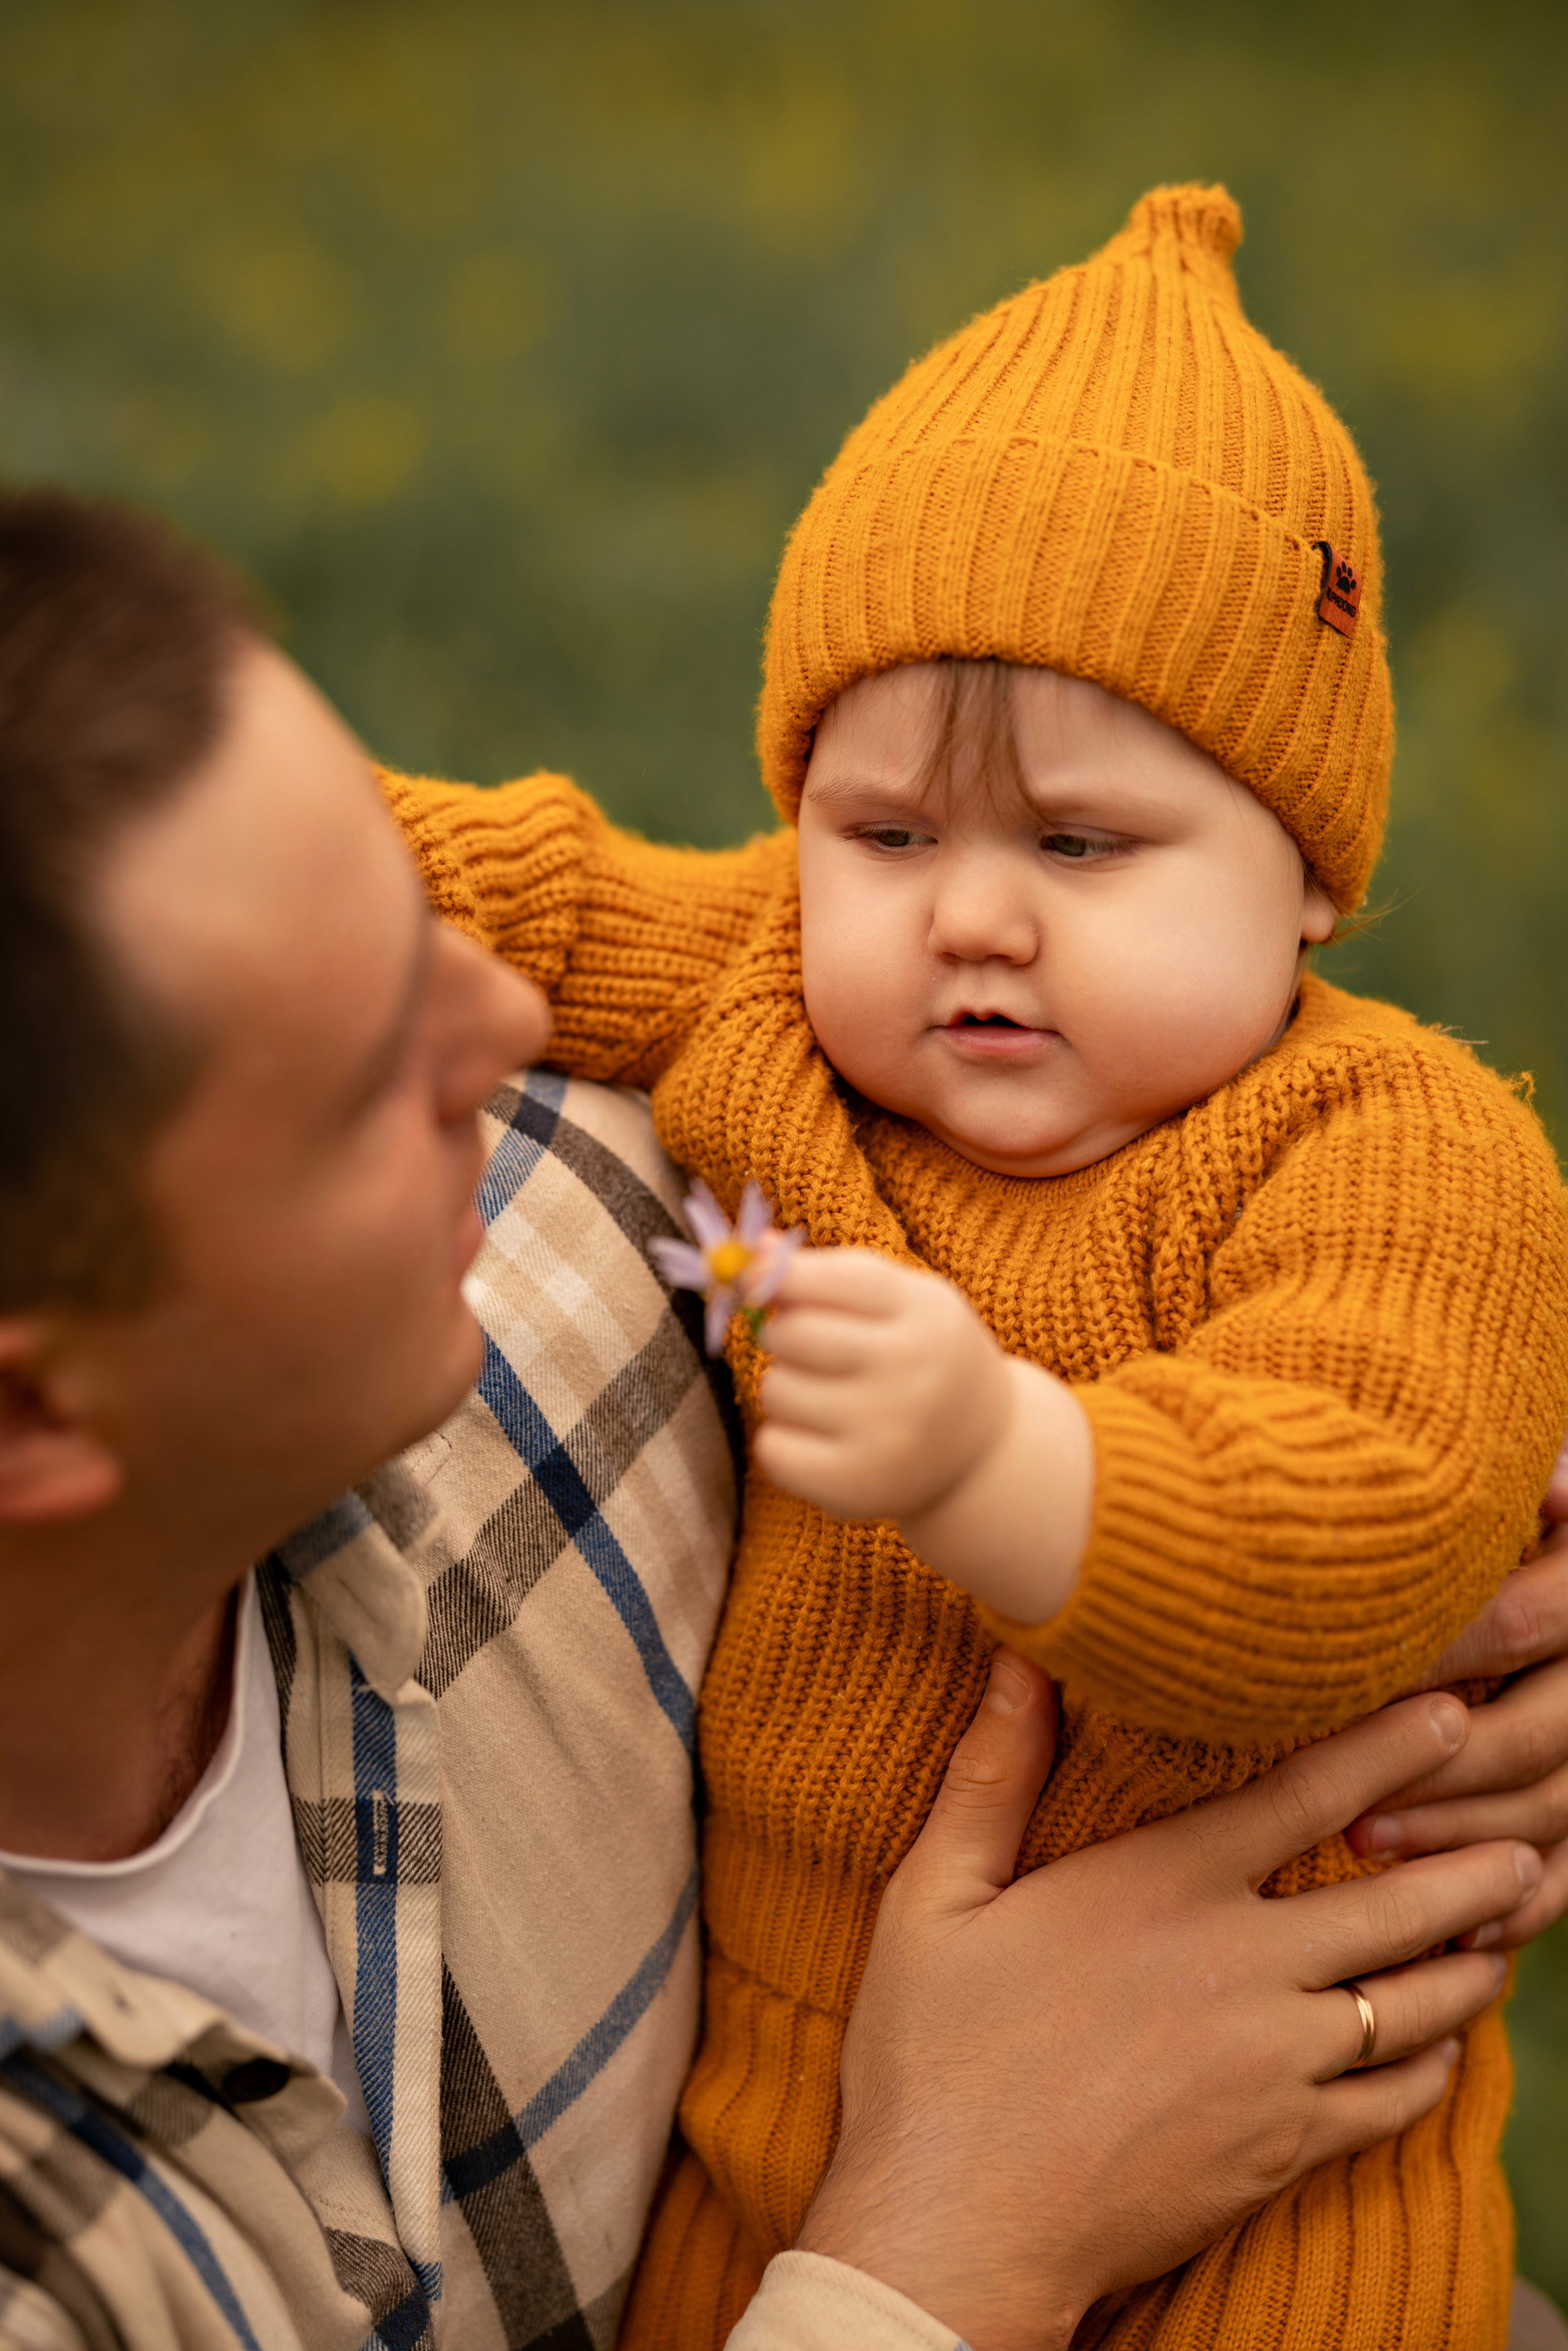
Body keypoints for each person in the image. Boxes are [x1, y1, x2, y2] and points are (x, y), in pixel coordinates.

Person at [0, 505, 1566, 2351]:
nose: (507, 1029)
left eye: (1080, 841)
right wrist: (948, 2238)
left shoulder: (598, 1253)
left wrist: (1448, 1591)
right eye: (363, 1074)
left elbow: (1376, 1478)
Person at [379, 183, 1568, 2350]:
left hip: (1271, 2196)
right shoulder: (780, 989)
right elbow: (517, 881)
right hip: (787, 2155)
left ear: (1309, 876)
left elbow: (1373, 1515)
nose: (974, 916)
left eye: (1083, 845)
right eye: (890, 831)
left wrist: (1001, 1461)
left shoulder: (1387, 1145)